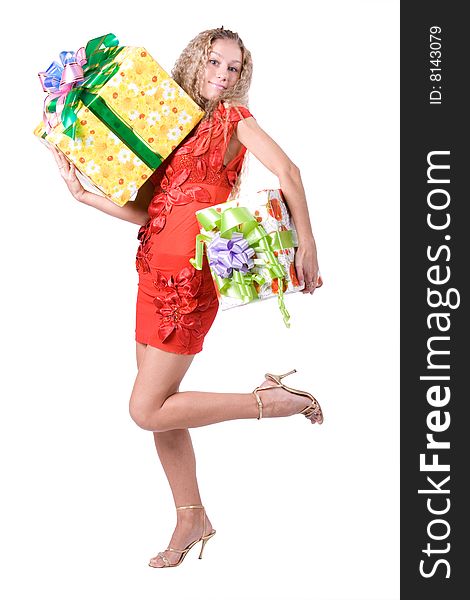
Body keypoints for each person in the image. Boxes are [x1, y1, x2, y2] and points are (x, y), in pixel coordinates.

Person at [50, 26, 324, 569]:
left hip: (191, 285)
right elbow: (154, 213)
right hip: (151, 274)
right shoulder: (167, 123)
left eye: (233, 68)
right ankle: (191, 515)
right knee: (162, 413)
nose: (223, 77)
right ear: (196, 61)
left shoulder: (232, 122)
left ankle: (268, 402)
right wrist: (87, 198)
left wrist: (307, 244)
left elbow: (290, 172)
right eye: (215, 63)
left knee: (144, 408)